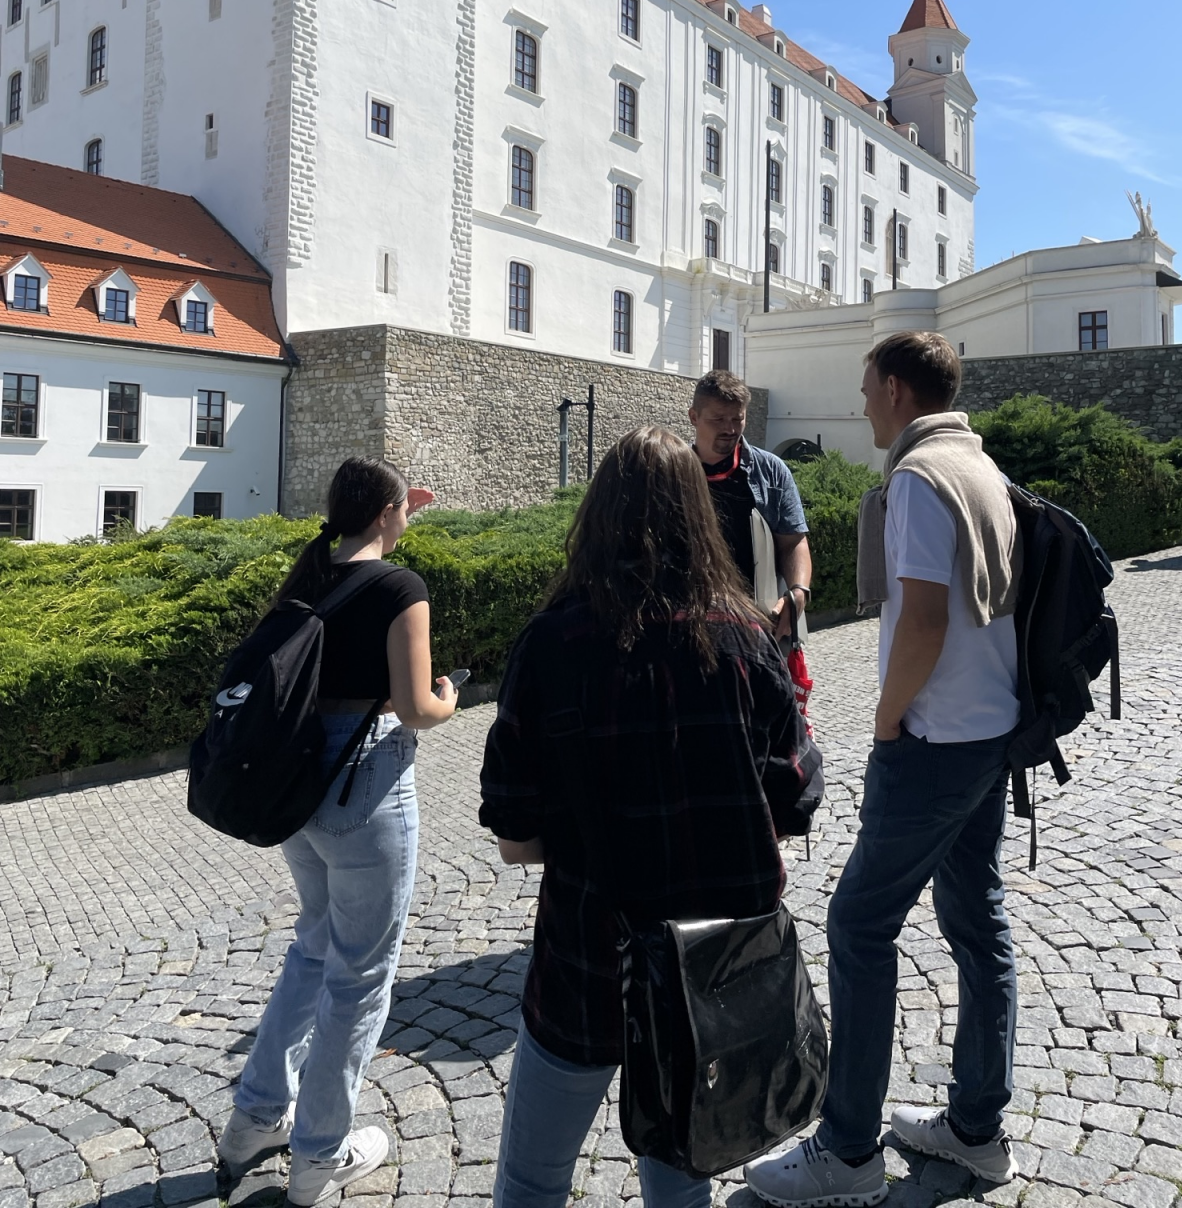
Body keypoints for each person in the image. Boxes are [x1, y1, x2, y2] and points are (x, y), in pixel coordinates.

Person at [479, 426, 823, 1208]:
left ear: (597, 515)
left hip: (591, 954)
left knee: (532, 1181)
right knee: (686, 1167)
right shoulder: (747, 636)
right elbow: (795, 797)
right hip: (713, 968)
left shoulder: (553, 643)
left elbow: (515, 836)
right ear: (698, 516)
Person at [746, 332, 1021, 1208]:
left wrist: (886, 716)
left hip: (934, 739)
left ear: (897, 389)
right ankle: (976, 1129)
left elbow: (926, 620)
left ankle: (849, 1149)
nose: (862, 402)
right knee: (977, 921)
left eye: (868, 388)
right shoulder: (980, 465)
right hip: (991, 730)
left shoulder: (919, 477)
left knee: (860, 925)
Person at [217, 457, 459, 1207]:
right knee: (361, 975)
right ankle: (321, 1153)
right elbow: (414, 707)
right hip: (365, 781)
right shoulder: (401, 587)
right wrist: (450, 698)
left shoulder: (312, 574)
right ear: (387, 515)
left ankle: (256, 1117)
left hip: (296, 784)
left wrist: (396, 510)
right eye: (402, 510)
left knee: (315, 947)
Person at [688, 370, 812, 621]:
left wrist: (798, 592)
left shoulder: (772, 470)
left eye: (738, 418)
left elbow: (793, 542)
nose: (730, 428)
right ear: (694, 417)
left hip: (759, 620)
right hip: (690, 618)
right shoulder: (672, 471)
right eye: (718, 419)